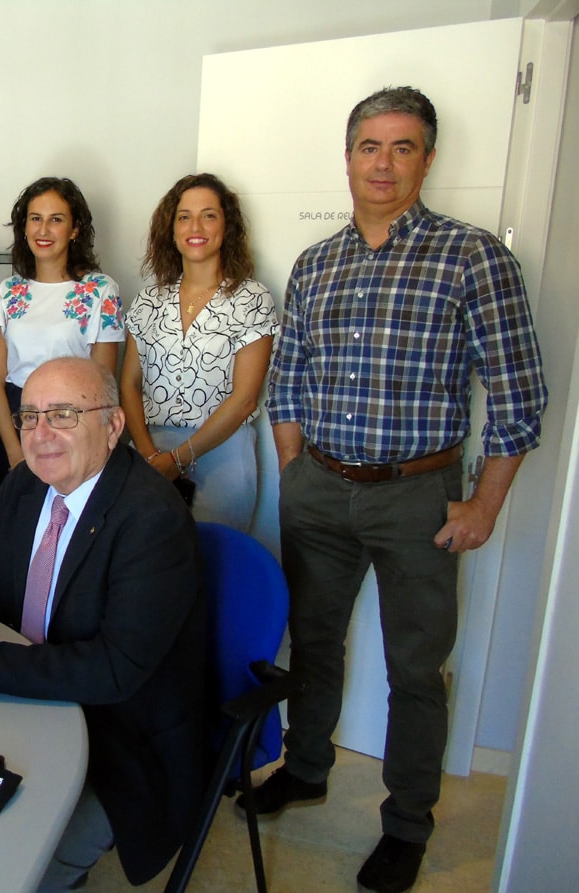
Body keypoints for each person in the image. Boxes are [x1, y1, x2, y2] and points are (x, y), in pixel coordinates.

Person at [259, 86, 548, 893]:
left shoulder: (473, 256)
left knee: (415, 669)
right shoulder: (317, 262)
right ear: (346, 155)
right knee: (311, 644)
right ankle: (306, 765)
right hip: (317, 487)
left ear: (427, 157)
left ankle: (407, 822)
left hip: (417, 497)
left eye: (402, 146)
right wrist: (292, 470)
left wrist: (483, 503)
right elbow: (289, 377)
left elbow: (519, 393)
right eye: (368, 146)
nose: (382, 163)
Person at [0, 356, 205, 891]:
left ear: (112, 426)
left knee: (9, 868)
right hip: (26, 697)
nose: (40, 435)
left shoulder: (152, 519)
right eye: (29, 416)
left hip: (120, 740)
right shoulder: (26, 483)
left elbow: (114, 670)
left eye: (63, 415)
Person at [120, 173, 276, 530]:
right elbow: (128, 384)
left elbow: (245, 399)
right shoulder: (148, 300)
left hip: (221, 451)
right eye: (184, 216)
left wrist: (178, 459)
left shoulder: (252, 299)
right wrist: (148, 454)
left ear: (227, 226)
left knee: (215, 564)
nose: (196, 226)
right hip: (148, 450)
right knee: (145, 561)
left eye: (209, 215)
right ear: (171, 230)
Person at [0, 177, 124, 487]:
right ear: (24, 227)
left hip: (73, 419)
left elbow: (103, 385)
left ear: (74, 229)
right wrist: (14, 451)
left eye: (56, 220)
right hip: (16, 419)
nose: (43, 230)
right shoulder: (9, 291)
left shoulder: (101, 290)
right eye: (35, 219)